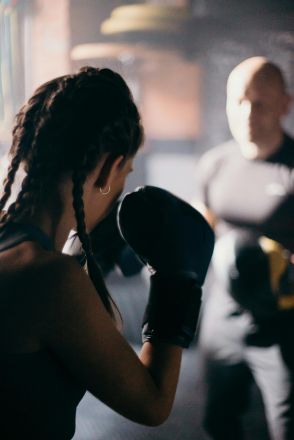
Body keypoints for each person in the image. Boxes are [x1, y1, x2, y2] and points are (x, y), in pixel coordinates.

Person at [0, 66, 214, 439]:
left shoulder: (24, 253)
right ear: (110, 168)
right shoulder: (52, 280)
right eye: (125, 172)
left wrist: (83, 251)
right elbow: (152, 403)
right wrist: (176, 281)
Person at [195, 56, 294, 440]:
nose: (248, 112)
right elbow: (203, 235)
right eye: (239, 100)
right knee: (218, 422)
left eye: (261, 102)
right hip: (223, 320)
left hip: (283, 324)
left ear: (285, 104)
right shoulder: (214, 164)